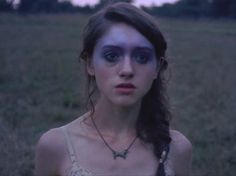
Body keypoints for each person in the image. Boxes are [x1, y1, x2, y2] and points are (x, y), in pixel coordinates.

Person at [35, 2, 192, 176]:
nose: (127, 70)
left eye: (141, 57)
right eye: (111, 56)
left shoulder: (177, 148)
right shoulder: (55, 146)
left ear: (157, 67)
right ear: (90, 63)